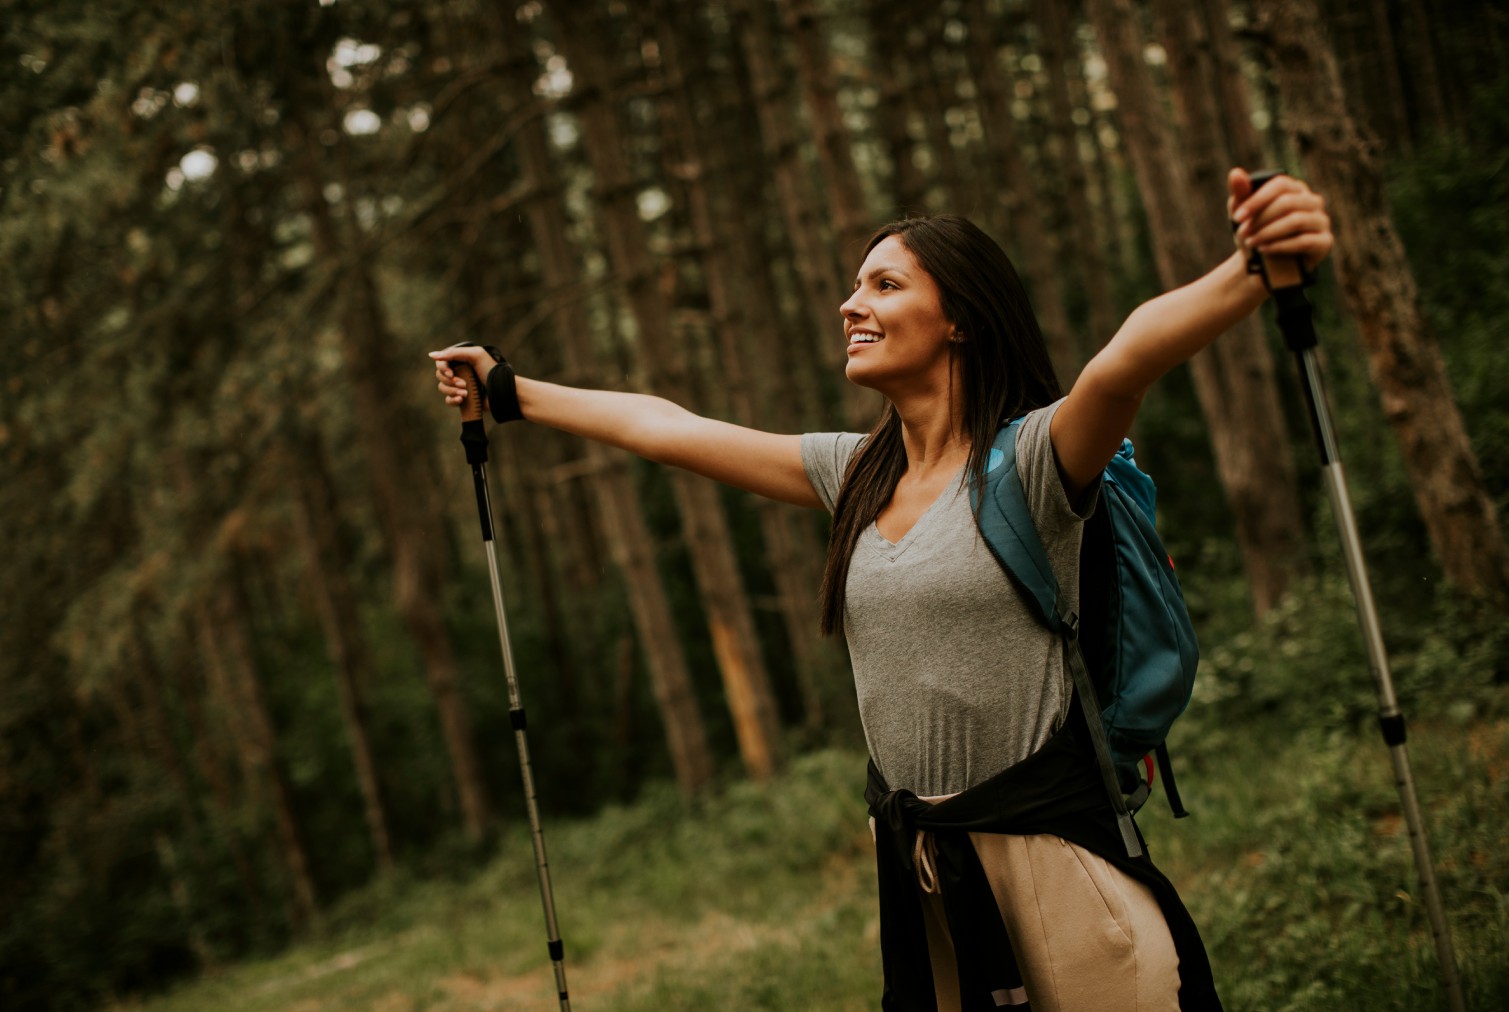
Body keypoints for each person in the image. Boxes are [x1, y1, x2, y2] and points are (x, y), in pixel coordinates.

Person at [430, 168, 1332, 1011]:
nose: (850, 304)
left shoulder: (1032, 463)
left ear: (961, 319)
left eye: (884, 285)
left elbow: (1120, 364)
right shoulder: (853, 473)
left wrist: (1249, 274)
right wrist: (510, 391)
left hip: (1054, 873)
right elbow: (664, 426)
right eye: (856, 286)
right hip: (923, 879)